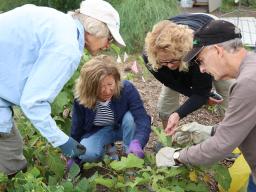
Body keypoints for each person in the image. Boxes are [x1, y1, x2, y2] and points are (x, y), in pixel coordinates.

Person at [0, 0, 125, 176]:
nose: (107, 46)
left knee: (10, 146)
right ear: (95, 29)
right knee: (13, 164)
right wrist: (62, 141)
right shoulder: (66, 47)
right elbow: (33, 103)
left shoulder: (56, 21)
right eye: (109, 38)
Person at [156, 20, 256, 191]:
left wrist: (177, 156)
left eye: (201, 60)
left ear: (217, 51)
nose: (201, 69)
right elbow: (244, 124)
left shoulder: (248, 83)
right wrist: (209, 131)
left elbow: (221, 146)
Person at [142, 13, 234, 136]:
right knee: (165, 108)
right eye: (164, 62)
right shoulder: (151, 57)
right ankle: (170, 140)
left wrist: (203, 95)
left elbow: (201, 92)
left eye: (173, 61)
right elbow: (170, 82)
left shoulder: (197, 52)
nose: (169, 66)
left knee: (228, 95)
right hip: (183, 28)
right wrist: (178, 112)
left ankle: (229, 138)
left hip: (211, 33)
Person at [70, 55, 151, 163]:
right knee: (87, 154)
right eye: (101, 87)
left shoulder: (126, 89)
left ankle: (130, 155)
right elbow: (77, 128)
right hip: (100, 132)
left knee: (131, 118)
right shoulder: (81, 99)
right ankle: (107, 147)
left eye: (110, 84)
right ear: (90, 87)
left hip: (123, 127)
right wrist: (74, 157)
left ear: (116, 80)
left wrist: (138, 142)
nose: (108, 91)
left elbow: (142, 118)